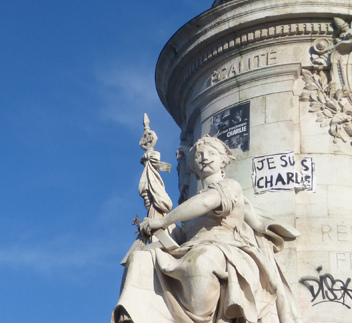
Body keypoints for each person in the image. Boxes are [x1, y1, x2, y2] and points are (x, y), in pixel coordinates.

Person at [113, 136, 300, 323]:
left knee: (202, 260)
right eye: (198, 155)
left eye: (212, 153)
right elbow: (181, 236)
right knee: (140, 258)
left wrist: (166, 220)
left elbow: (206, 201)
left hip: (226, 248)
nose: (204, 157)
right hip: (190, 248)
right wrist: (156, 217)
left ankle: (200, 318)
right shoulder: (188, 208)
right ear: (192, 167)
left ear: (223, 161)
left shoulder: (230, 186)